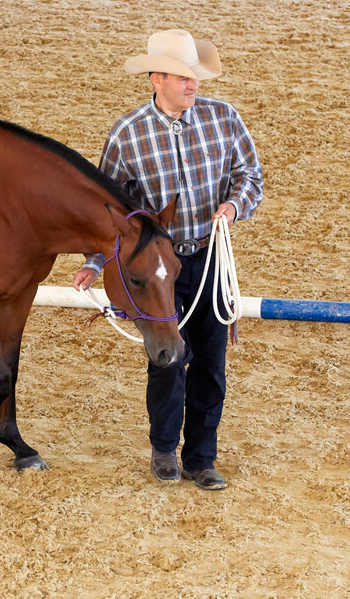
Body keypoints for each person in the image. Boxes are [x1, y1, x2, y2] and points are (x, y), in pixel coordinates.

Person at [73, 29, 263, 490]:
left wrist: (234, 206)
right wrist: (96, 263)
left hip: (208, 256)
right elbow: (111, 212)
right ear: (156, 78)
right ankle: (163, 449)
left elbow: (249, 175)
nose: (192, 84)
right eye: (181, 77)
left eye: (194, 76)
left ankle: (201, 457)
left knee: (211, 364)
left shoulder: (224, 118)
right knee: (167, 361)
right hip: (158, 272)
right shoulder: (127, 135)